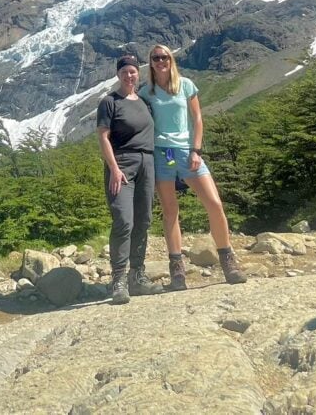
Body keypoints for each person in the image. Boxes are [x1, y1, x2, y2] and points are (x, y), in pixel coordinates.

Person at [139, 43, 246, 290]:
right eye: (155, 57)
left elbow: (197, 118)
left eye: (164, 56)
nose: (160, 61)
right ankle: (177, 272)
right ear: (151, 62)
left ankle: (228, 260)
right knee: (170, 211)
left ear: (171, 59)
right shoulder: (147, 92)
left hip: (188, 153)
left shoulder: (186, 85)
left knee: (214, 204)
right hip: (162, 154)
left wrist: (196, 150)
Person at [97, 53, 164, 304]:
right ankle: (118, 279)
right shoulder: (109, 102)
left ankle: (137, 276)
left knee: (143, 220)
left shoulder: (144, 101)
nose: (129, 75)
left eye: (133, 71)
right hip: (122, 164)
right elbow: (103, 137)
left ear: (138, 73)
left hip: (147, 162)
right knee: (124, 220)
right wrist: (113, 168)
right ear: (118, 74)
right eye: (124, 71)